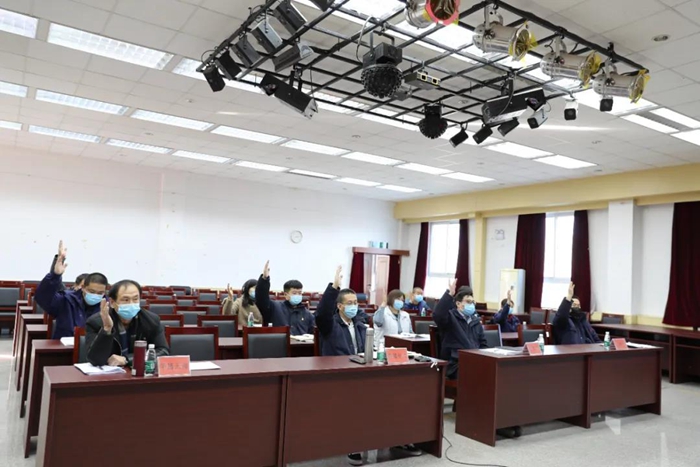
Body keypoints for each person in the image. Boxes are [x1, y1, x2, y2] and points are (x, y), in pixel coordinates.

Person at [316, 267, 419, 463]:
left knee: (397, 392)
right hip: (340, 375)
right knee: (358, 399)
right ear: (339, 306)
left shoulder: (360, 324)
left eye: (356, 303)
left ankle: (398, 438)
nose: (354, 306)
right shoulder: (330, 325)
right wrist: (334, 287)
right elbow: (321, 314)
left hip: (362, 371)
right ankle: (353, 443)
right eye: (349, 303)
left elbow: (368, 349)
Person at [85, 279, 169, 367]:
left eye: (135, 299)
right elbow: (95, 360)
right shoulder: (96, 322)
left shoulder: (151, 320)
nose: (131, 304)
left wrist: (127, 359)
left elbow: (163, 351)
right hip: (109, 372)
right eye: (125, 300)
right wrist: (107, 329)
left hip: (139, 371)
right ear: (112, 302)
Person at [35, 240, 109, 339]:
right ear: (83, 288)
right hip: (63, 346)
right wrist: (55, 275)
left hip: (94, 347)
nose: (95, 295)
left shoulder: (107, 307)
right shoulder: (67, 299)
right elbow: (42, 298)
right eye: (92, 291)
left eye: (100, 293)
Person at [433, 279, 488, 381]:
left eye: (472, 302)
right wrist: (449, 294)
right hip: (455, 363)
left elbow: (483, 344)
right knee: (478, 374)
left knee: (493, 371)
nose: (471, 305)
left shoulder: (476, 321)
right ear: (458, 304)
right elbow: (438, 315)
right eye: (468, 302)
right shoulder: (450, 317)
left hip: (474, 360)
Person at [255, 260, 315, 335]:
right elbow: (261, 299)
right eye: (294, 293)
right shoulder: (275, 308)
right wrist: (264, 279)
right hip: (280, 342)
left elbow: (313, 332)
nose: (297, 295)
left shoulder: (307, 314)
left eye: (300, 293)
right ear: (286, 295)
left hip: (302, 342)